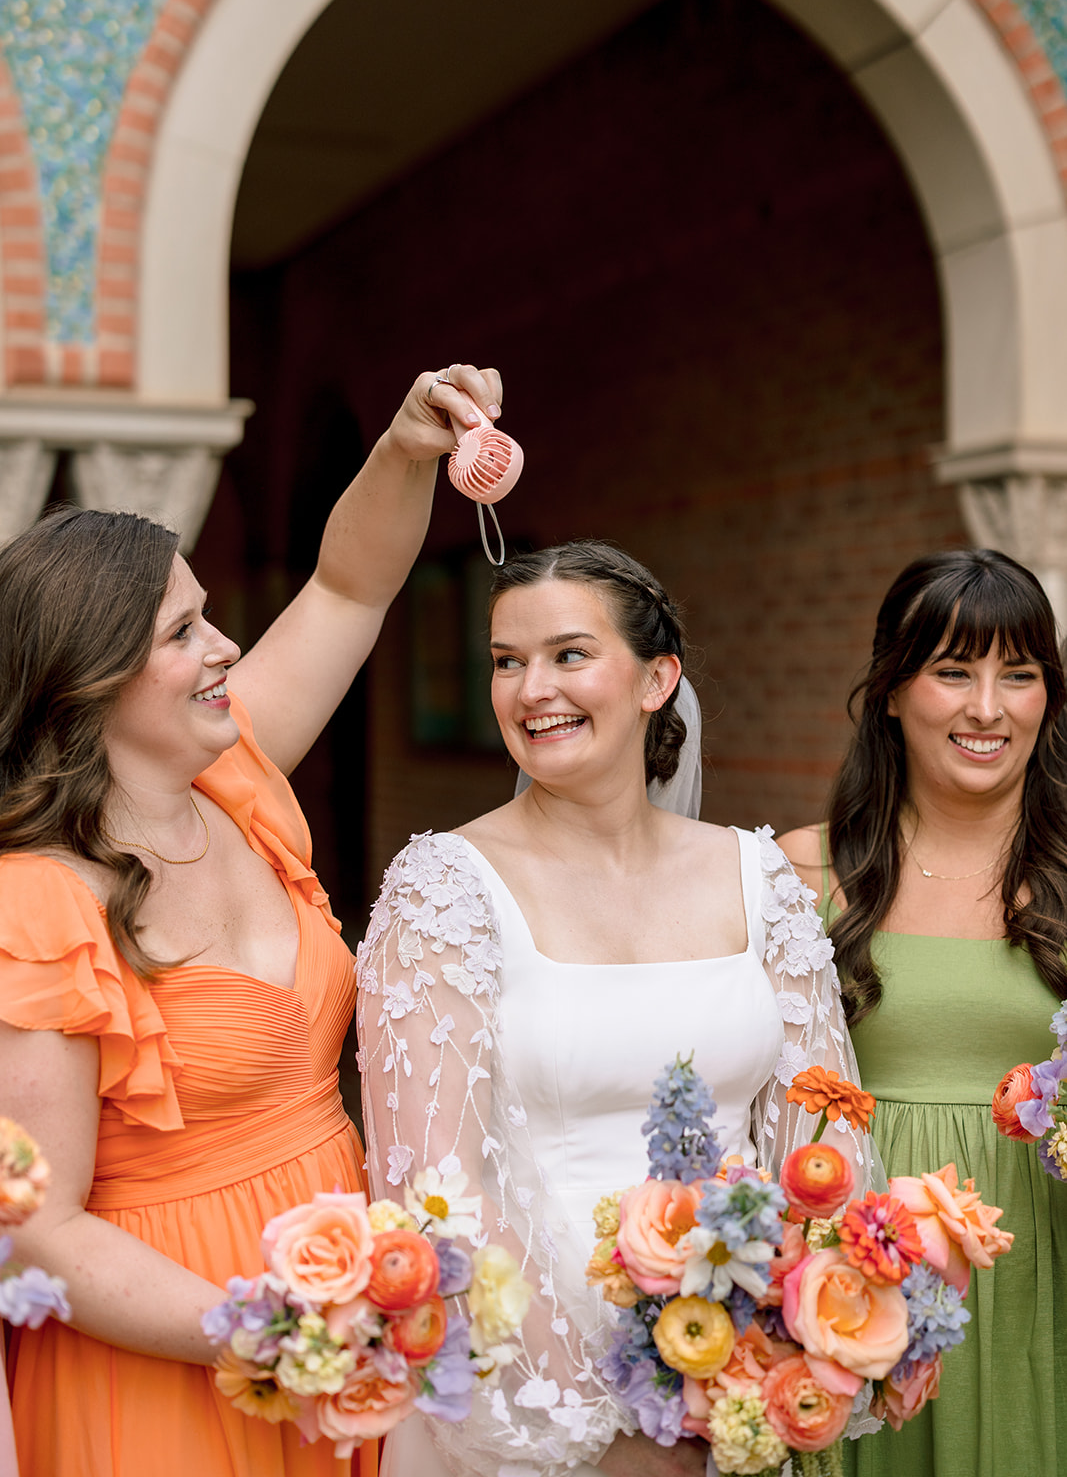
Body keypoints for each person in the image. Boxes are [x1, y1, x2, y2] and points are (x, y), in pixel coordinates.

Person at [0, 363, 503, 1477]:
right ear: (91, 677)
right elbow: (34, 1230)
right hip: (168, 1358)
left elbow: (348, 589)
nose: (225, 647)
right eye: (186, 631)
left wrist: (405, 447)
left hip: (344, 1335)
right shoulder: (37, 902)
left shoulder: (238, 784)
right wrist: (270, 1328)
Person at [357, 540, 876, 1477]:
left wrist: (760, 1369)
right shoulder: (443, 891)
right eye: (506, 662)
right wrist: (612, 1413)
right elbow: (431, 1189)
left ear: (655, 680)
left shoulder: (757, 877)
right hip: (522, 1397)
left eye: (567, 655)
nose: (530, 690)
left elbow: (822, 1144)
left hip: (738, 1388)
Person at [779, 547, 1067, 1477]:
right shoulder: (801, 874)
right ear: (893, 691)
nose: (986, 708)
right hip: (858, 1289)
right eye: (952, 672)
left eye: (1016, 675)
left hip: (1041, 1277)